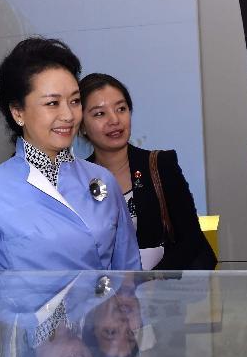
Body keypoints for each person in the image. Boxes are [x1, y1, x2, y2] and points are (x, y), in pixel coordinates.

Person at [0, 37, 140, 271]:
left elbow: (128, 273)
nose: (68, 115)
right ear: (18, 112)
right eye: (52, 103)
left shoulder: (103, 180)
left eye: (74, 101)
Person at [79, 73, 216, 270]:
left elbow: (190, 239)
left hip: (160, 285)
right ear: (82, 125)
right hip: (103, 287)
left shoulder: (160, 165)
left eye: (121, 109)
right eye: (100, 114)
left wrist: (153, 280)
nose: (114, 120)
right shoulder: (77, 179)